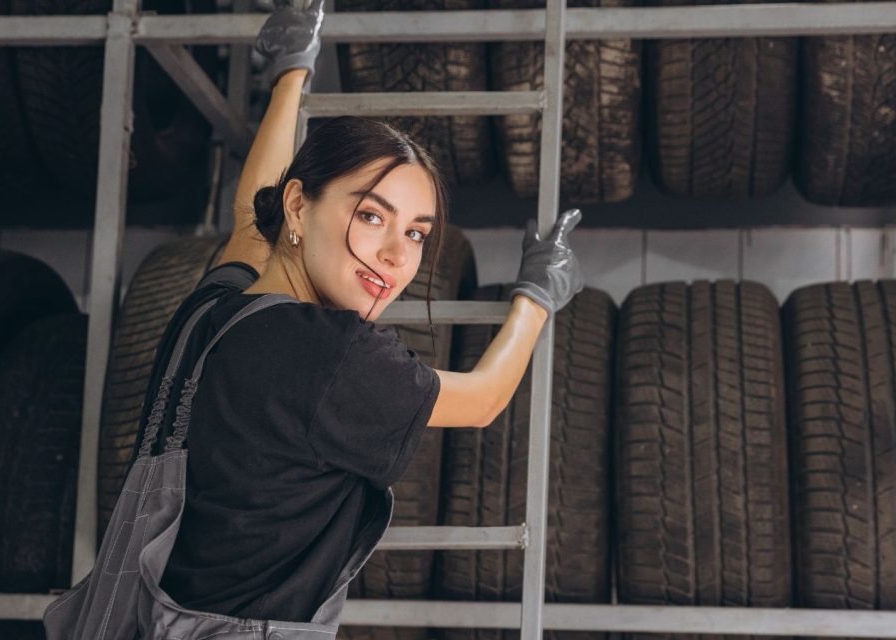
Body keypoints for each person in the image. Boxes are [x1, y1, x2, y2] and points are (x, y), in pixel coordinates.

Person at [43, 1, 584, 638]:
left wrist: (291, 75)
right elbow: (484, 399)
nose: (395, 255)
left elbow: (253, 216)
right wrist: (536, 296)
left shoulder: (214, 310)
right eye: (373, 216)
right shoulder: (332, 354)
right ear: (300, 206)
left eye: (416, 232)